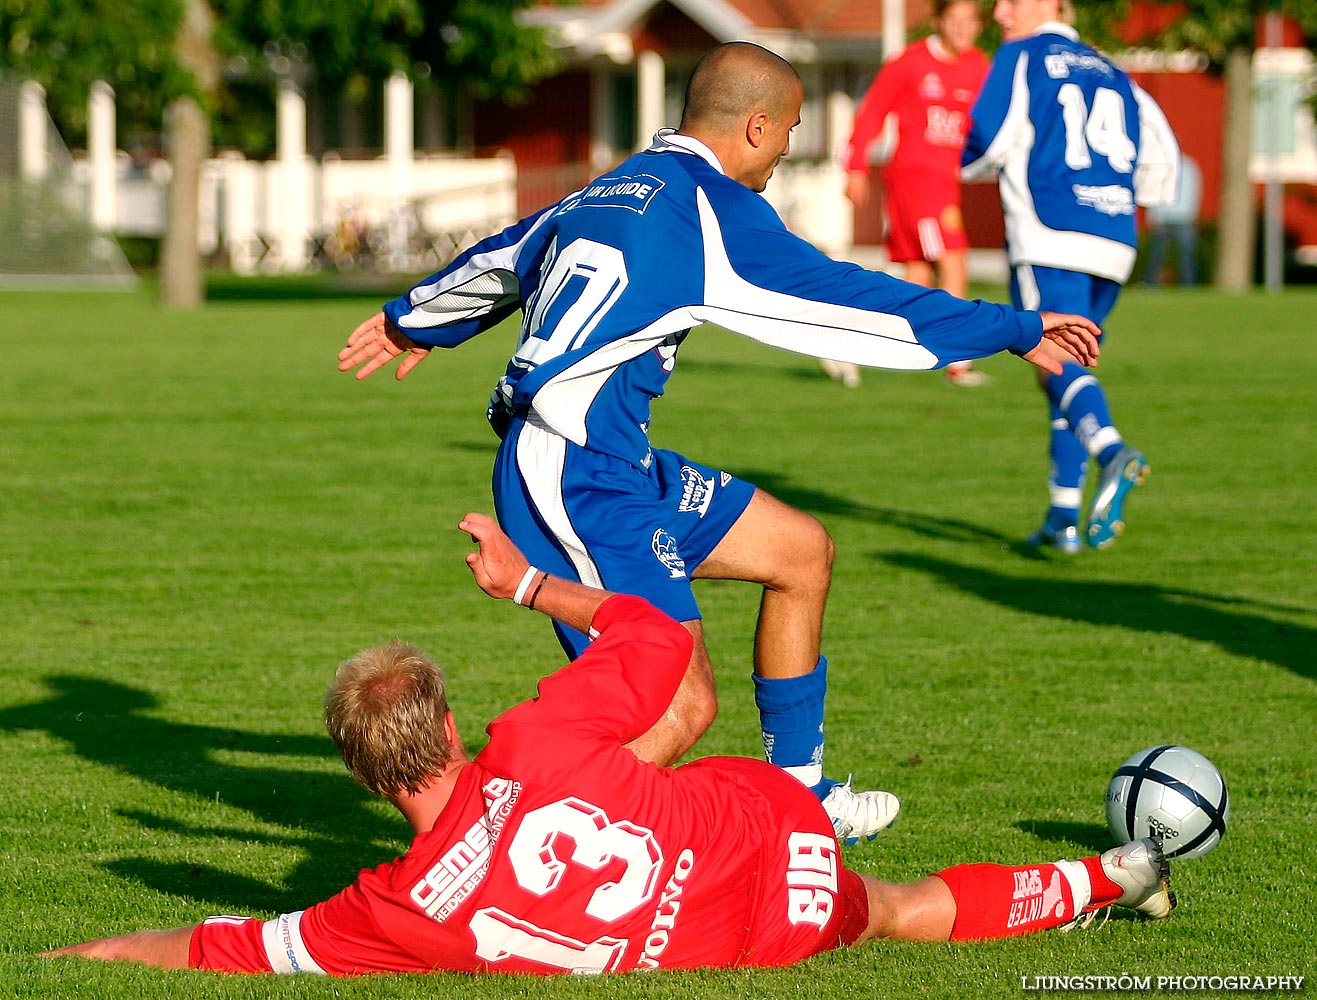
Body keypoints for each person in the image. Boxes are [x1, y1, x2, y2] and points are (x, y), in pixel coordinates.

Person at [337, 41, 1102, 844]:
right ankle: (517, 854)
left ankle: (800, 794)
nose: (783, 154)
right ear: (755, 126)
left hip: (614, 465)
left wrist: (413, 319)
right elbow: (843, 298)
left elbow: (504, 256)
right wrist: (1011, 328)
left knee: (799, 552)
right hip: (569, 477)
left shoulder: (617, 185)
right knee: (680, 705)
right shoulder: (712, 208)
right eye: (787, 134)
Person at [44, 514, 1176, 976]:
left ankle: (1108, 880)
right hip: (763, 829)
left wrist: (81, 958)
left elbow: (221, 945)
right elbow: (657, 627)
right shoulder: (531, 736)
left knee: (891, 909)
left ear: (361, 770)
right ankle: (1098, 875)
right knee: (890, 895)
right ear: (448, 721)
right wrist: (528, 581)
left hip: (743, 941)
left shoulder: (391, 909)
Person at [962, 0, 1181, 552]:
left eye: (1011, 0)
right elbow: (1162, 160)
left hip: (1049, 229)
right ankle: (1063, 517)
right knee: (1067, 369)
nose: (999, 11)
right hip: (1114, 237)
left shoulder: (1021, 55)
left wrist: (956, 165)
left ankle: (1112, 452)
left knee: (1051, 357)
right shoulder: (1110, 68)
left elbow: (985, 139)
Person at [839, 0, 992, 388]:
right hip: (916, 178)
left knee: (918, 274)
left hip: (945, 180)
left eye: (968, 21)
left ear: (978, 26)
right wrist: (855, 166)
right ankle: (957, 360)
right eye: (953, 20)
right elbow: (873, 111)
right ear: (939, 22)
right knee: (954, 259)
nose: (961, 29)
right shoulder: (910, 62)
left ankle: (852, 338)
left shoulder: (979, 67)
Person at [1144, 155, 1201, 287]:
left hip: (1184, 218)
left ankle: (1189, 285)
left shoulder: (1189, 167)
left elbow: (1194, 191)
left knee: (1187, 256)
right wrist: (1153, 214)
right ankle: (1151, 283)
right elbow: (1154, 191)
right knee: (1157, 254)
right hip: (1164, 217)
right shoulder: (1161, 167)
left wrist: (1192, 213)